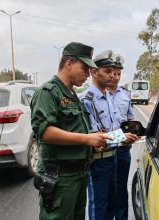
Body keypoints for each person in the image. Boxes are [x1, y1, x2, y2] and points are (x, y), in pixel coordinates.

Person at [30, 42, 112, 220]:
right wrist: (86, 139)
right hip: (61, 178)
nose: (87, 75)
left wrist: (93, 144)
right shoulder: (48, 92)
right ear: (68, 64)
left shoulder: (72, 94)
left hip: (78, 175)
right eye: (84, 68)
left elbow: (74, 130)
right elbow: (45, 132)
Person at [81, 50, 137, 220]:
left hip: (114, 157)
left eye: (114, 72)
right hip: (99, 161)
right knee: (99, 206)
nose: (112, 76)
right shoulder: (87, 100)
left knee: (113, 202)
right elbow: (94, 137)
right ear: (94, 72)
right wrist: (122, 137)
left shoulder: (109, 98)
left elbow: (120, 124)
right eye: (107, 71)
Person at [107, 53, 137, 220]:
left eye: (118, 74)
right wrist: (120, 137)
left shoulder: (125, 94)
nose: (115, 77)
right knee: (106, 192)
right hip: (105, 151)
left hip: (123, 151)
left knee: (121, 190)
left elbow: (130, 118)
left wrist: (134, 131)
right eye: (112, 73)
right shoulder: (97, 95)